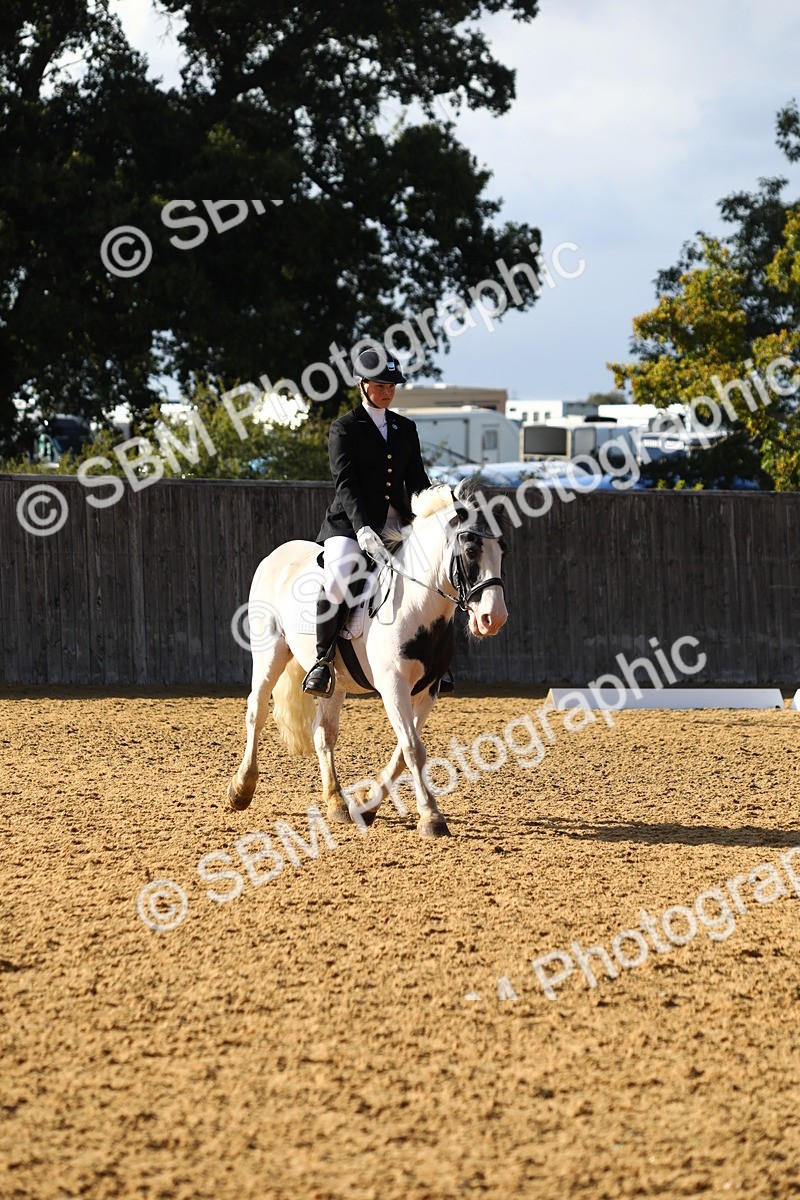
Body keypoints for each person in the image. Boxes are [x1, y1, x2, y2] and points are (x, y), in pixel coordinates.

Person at [301, 346, 432, 697]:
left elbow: (418, 481)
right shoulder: (344, 429)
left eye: (392, 385)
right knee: (340, 577)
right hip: (350, 524)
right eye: (380, 384)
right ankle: (322, 661)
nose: (387, 391)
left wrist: (433, 516)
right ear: (362, 385)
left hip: (398, 524)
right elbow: (346, 484)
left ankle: (435, 664)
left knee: (437, 575)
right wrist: (362, 528)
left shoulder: (405, 428)